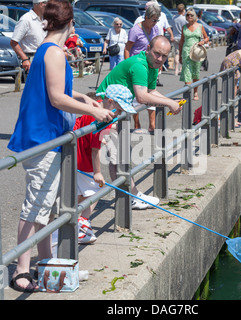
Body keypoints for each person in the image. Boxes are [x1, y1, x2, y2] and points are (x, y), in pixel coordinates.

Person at [7, 0, 115, 293]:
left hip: (45, 136)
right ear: (70, 24)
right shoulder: (53, 53)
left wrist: (84, 99)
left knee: (44, 207)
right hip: (43, 138)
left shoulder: (46, 50)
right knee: (35, 206)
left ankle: (46, 263)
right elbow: (56, 98)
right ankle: (21, 271)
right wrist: (94, 112)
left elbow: (60, 90)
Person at [97, 35, 181, 209]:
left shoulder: (152, 66)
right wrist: (169, 103)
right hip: (104, 109)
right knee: (117, 156)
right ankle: (129, 197)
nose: (160, 59)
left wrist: (171, 102)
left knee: (122, 154)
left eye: (164, 56)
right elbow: (142, 97)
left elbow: (151, 90)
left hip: (117, 110)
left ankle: (133, 194)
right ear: (148, 49)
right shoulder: (140, 65)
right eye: (157, 54)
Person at [75, 84, 135, 244]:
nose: (120, 113)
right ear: (111, 102)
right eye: (120, 110)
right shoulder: (101, 118)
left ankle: (74, 220)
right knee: (96, 191)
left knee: (81, 193)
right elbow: (96, 150)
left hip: (75, 157)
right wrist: (97, 172)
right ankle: (81, 224)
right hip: (85, 162)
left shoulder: (93, 108)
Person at [125, 3, 161, 134]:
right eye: (153, 20)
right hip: (137, 66)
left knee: (151, 92)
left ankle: (152, 124)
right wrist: (128, 65)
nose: (155, 23)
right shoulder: (135, 30)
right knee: (137, 96)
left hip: (151, 66)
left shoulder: (155, 29)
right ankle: (136, 123)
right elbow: (127, 49)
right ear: (146, 17)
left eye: (157, 20)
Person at [178, 8, 209, 101]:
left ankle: (195, 92)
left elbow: (207, 37)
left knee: (196, 73)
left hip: (196, 52)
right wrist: (180, 55)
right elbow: (181, 41)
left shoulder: (200, 26)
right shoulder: (184, 27)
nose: (189, 16)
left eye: (191, 15)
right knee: (187, 72)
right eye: (187, 15)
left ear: (195, 16)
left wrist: (203, 42)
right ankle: (187, 93)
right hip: (186, 51)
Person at [10, 0, 48, 74]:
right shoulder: (26, 19)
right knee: (34, 85)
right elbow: (13, 42)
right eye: (47, 3)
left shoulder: (45, 19)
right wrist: (25, 59)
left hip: (45, 57)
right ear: (41, 4)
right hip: (32, 59)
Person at [171, 3, 186, 76]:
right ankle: (181, 69)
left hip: (175, 36)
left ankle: (176, 70)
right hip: (182, 37)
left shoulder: (174, 18)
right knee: (182, 54)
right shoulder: (184, 19)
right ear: (183, 10)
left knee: (177, 53)